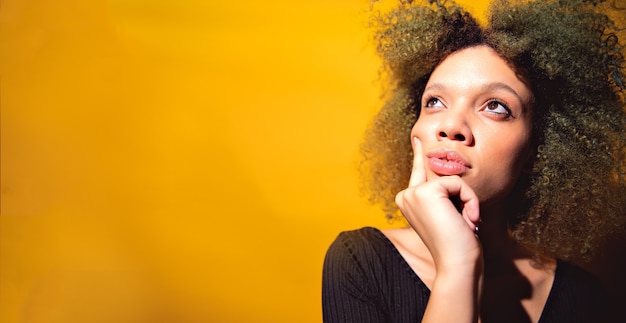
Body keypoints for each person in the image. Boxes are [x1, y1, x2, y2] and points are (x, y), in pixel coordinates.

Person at [322, 0, 626, 322]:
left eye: (495, 106)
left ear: (538, 150)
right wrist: (458, 263)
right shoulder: (361, 261)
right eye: (435, 102)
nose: (451, 126)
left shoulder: (583, 299)